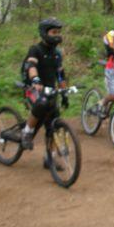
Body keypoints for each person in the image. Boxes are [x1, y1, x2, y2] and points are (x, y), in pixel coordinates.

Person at [20, 18, 69, 155]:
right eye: (54, 32)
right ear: (44, 33)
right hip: (33, 88)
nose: (57, 35)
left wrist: (64, 92)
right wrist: (35, 80)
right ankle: (27, 132)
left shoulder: (57, 55)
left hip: (50, 90)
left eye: (59, 32)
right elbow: (31, 65)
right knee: (41, 103)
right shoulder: (35, 49)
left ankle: (50, 159)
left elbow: (60, 75)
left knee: (54, 123)